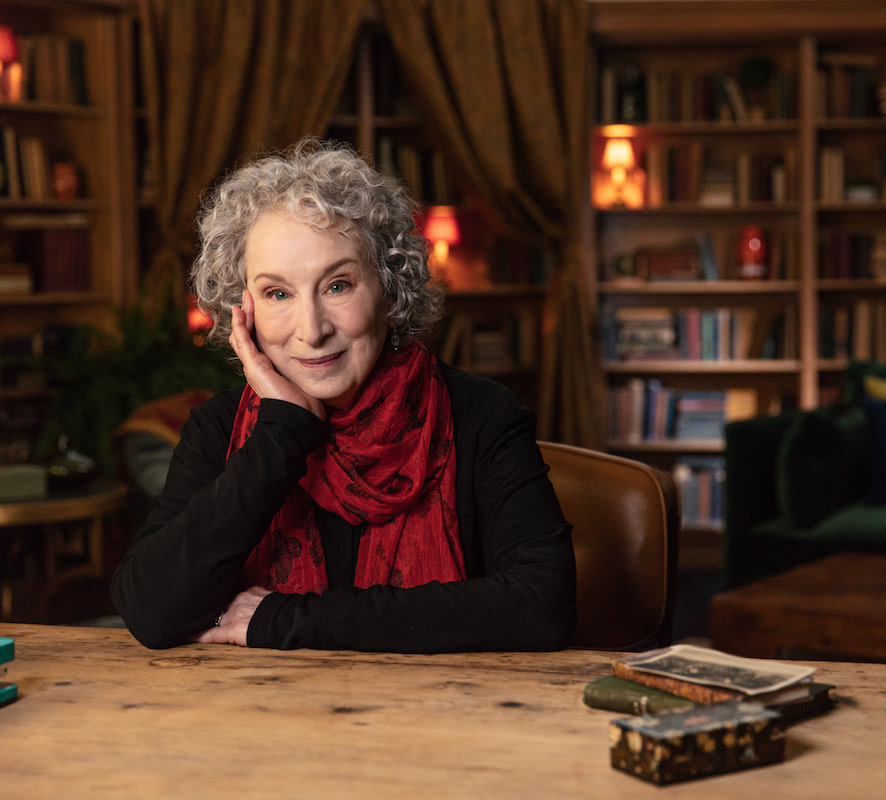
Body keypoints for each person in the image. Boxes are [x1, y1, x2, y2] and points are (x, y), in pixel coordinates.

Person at [111, 139, 576, 653]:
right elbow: (152, 612)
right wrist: (281, 432)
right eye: (277, 294)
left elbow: (542, 606)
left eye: (337, 286)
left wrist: (285, 619)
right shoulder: (219, 430)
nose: (312, 329)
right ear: (244, 313)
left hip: (439, 721)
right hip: (260, 724)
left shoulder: (481, 416)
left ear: (389, 288)